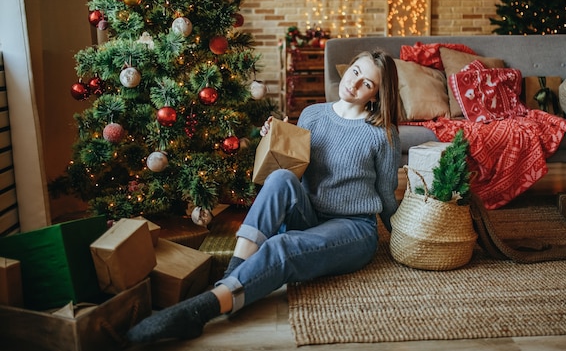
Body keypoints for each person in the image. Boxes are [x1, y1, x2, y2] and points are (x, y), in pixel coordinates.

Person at [126, 49, 402, 344]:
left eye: (368, 84)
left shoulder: (382, 134)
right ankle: (233, 274)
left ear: (376, 95)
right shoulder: (312, 115)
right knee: (280, 177)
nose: (355, 83)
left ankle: (201, 310)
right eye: (356, 71)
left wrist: (400, 235)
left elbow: (386, 194)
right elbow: (293, 167)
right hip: (308, 214)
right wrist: (275, 136)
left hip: (352, 227)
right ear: (348, 68)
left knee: (283, 246)